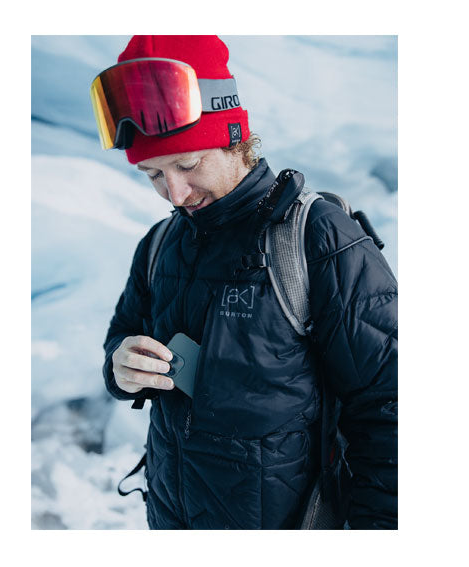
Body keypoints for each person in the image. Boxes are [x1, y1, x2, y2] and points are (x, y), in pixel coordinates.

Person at [94, 35, 398, 530]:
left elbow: (391, 405)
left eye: (187, 164)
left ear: (234, 138)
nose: (175, 193)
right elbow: (122, 335)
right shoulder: (159, 244)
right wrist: (120, 365)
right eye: (153, 174)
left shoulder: (315, 236)